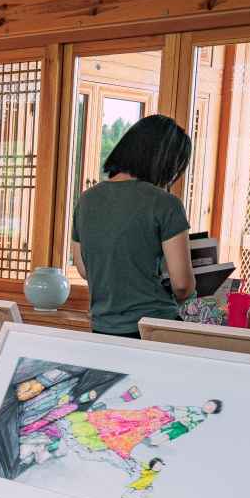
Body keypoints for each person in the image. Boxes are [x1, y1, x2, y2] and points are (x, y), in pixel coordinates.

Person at [70, 114, 195, 337]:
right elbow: (182, 285)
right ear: (164, 161)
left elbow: (83, 268)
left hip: (103, 328)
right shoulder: (165, 203)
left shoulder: (86, 200)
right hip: (154, 328)